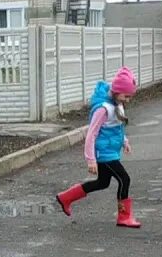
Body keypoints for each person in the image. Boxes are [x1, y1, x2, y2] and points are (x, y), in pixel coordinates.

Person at [55, 66, 141, 229]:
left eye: (130, 97)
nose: (128, 100)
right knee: (124, 179)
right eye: (126, 96)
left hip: (111, 151)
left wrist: (124, 141)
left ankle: (66, 197)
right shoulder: (103, 109)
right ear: (116, 91)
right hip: (104, 153)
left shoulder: (118, 103)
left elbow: (117, 126)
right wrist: (91, 160)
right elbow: (91, 134)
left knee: (102, 182)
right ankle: (124, 216)